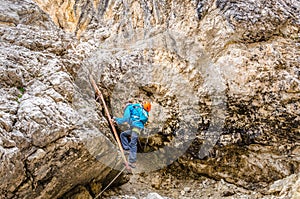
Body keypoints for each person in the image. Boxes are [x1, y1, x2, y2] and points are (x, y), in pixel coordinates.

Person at [113, 101, 151, 168]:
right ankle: (127, 149)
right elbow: (130, 120)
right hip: (137, 128)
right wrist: (116, 119)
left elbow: (126, 118)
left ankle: (132, 162)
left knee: (133, 143)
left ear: (125, 105)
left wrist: (117, 121)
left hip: (136, 127)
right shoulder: (137, 109)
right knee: (123, 134)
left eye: (123, 107)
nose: (123, 108)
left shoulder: (129, 107)